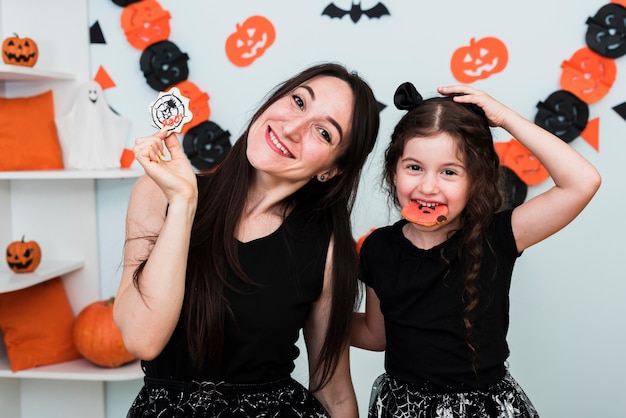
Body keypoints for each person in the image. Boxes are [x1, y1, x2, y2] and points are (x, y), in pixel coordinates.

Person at [114, 62, 380, 417]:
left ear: (331, 169)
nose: (293, 128)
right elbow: (141, 339)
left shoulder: (328, 247)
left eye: (324, 133)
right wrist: (183, 203)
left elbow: (335, 394)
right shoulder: (158, 194)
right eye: (299, 102)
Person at [351, 82, 601, 417]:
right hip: (404, 407)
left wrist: (505, 118)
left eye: (449, 172)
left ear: (476, 179)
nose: (428, 186)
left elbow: (582, 182)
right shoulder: (378, 248)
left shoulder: (497, 235)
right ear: (394, 171)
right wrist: (310, 314)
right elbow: (375, 334)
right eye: (414, 167)